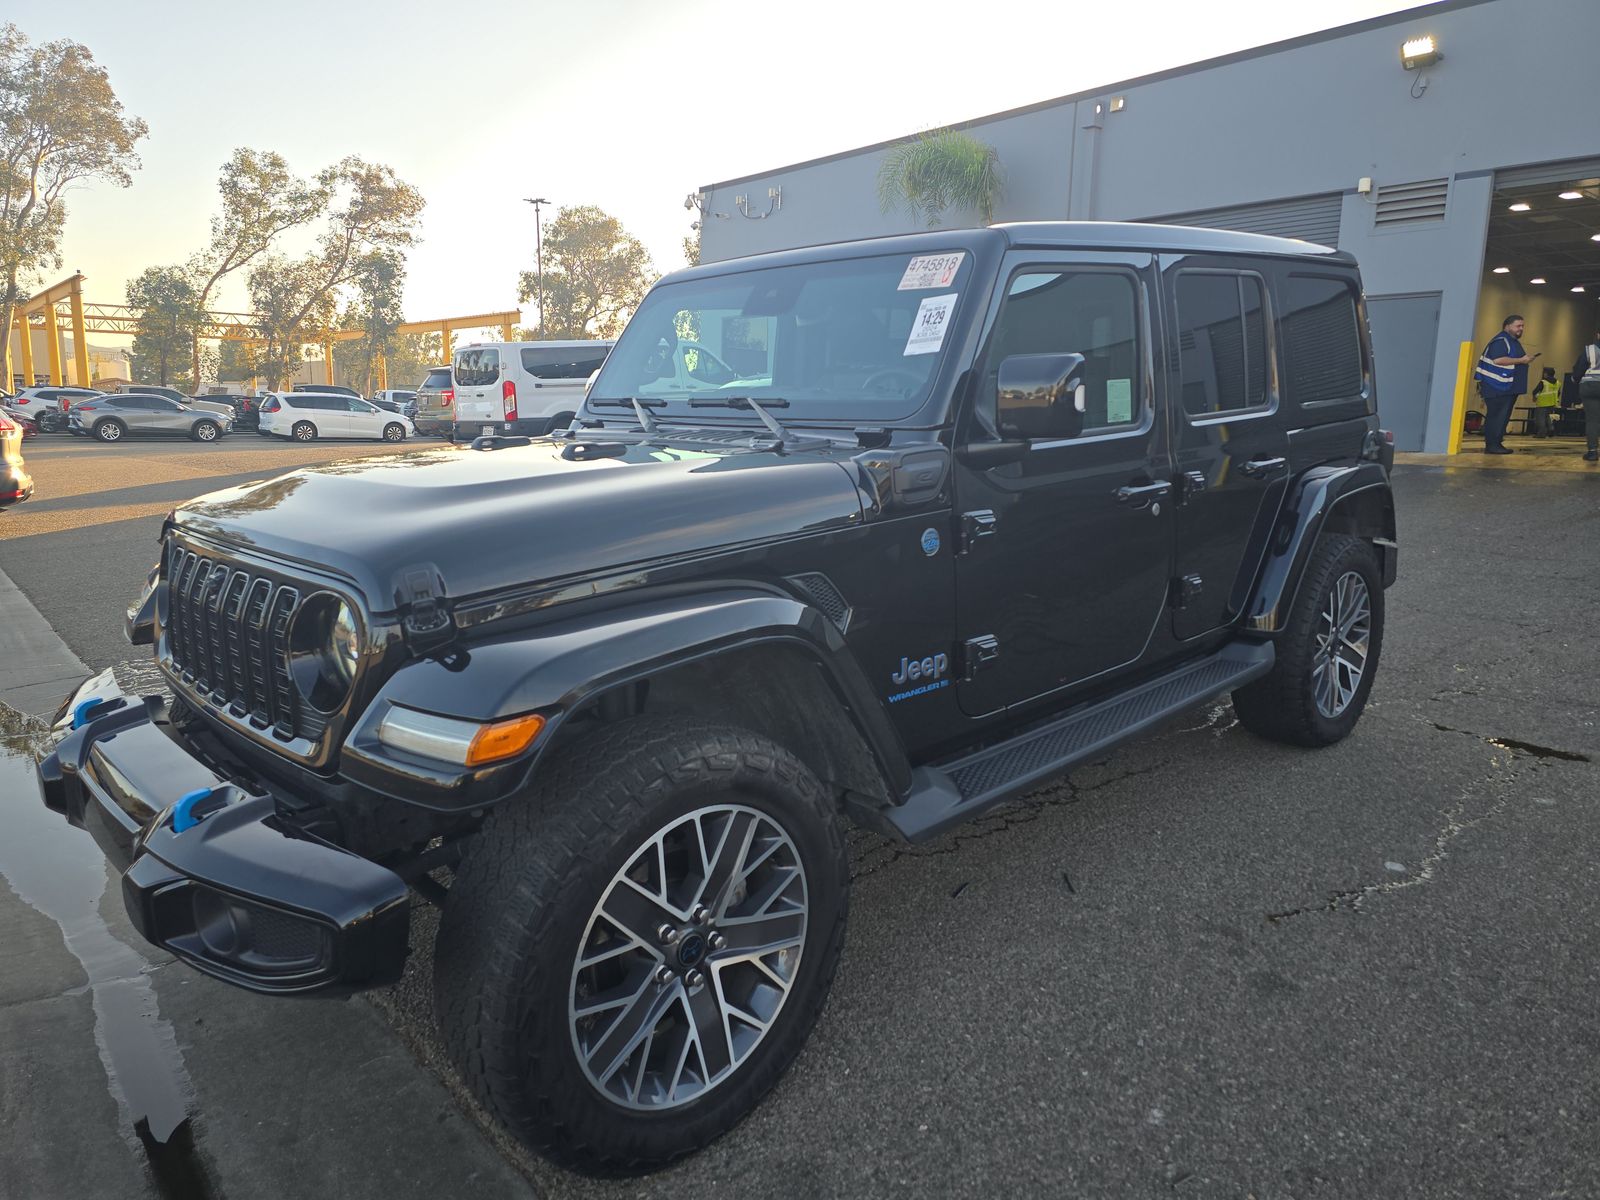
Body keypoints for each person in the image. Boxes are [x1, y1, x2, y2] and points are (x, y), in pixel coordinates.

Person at [1474, 314, 1537, 455]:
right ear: (1507, 326)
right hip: (1497, 386)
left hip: (1507, 387)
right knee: (1497, 416)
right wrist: (1522, 360)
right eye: (1518, 326)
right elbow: (1498, 360)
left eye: (1522, 326)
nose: (1521, 329)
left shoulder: (1512, 341)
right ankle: (1492, 445)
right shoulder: (1501, 341)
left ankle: (1496, 443)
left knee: (1502, 416)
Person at [1576, 330, 1600, 462]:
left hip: (1590, 386)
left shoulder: (1590, 350)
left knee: (1592, 420)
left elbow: (1579, 367)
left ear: (1598, 335)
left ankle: (1592, 452)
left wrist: (1575, 379)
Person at [1530, 366, 1560, 437]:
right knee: (1547, 417)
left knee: (1540, 419)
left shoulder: (1543, 382)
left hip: (1543, 403)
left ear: (1546, 374)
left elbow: (1535, 391)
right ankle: (1551, 429)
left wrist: (1534, 397)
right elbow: (1558, 393)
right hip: (1552, 403)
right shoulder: (1558, 383)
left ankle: (1541, 433)